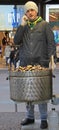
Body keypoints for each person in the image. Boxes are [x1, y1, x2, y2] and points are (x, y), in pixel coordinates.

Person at [14, 1, 57, 129]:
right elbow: (16, 41)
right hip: (25, 64)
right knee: (28, 92)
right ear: (25, 13)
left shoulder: (44, 25)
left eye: (32, 10)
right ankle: (30, 116)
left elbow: (51, 43)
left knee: (41, 92)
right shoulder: (24, 26)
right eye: (27, 11)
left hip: (41, 63)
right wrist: (21, 26)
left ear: (36, 11)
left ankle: (44, 118)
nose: (30, 13)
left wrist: (52, 59)